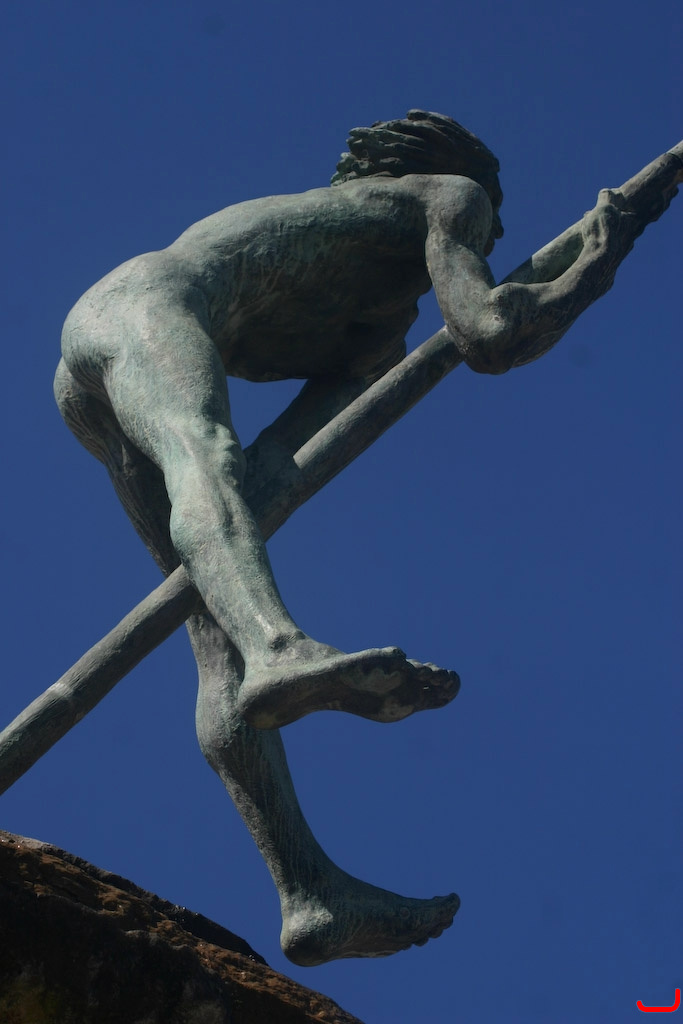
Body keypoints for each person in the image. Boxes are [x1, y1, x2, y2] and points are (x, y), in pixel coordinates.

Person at [53, 110, 656, 965]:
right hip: (138, 309)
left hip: (101, 364)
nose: (488, 240)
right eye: (489, 228)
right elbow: (487, 336)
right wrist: (599, 257)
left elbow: (275, 477)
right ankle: (279, 648)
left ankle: (308, 891)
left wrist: (246, 511)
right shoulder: (445, 193)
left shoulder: (377, 338)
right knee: (204, 455)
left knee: (215, 631)